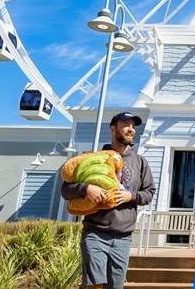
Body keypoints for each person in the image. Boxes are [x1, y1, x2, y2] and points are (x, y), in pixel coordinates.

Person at [60, 112, 156, 289]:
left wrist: (131, 196)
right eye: (126, 125)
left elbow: (149, 193)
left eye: (133, 127)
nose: (131, 130)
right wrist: (86, 188)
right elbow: (65, 190)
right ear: (113, 129)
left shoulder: (140, 162)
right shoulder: (94, 158)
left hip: (123, 237)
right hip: (96, 233)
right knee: (93, 285)